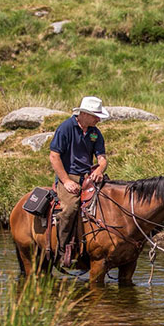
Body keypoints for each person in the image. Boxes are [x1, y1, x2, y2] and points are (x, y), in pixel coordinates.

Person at [49, 96, 109, 263]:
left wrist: (100, 168)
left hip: (89, 176)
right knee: (70, 208)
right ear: (83, 114)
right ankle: (61, 251)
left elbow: (102, 157)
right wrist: (66, 181)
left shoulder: (95, 133)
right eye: (95, 116)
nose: (98, 119)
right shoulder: (65, 128)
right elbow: (54, 156)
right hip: (68, 175)